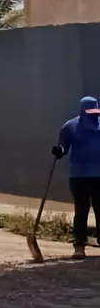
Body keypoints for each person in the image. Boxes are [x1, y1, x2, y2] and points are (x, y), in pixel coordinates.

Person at [53, 96, 100, 260]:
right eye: (90, 113)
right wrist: (59, 151)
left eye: (96, 113)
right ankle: (79, 246)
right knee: (82, 210)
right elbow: (64, 148)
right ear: (82, 111)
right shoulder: (70, 126)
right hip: (79, 176)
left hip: (99, 176)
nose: (94, 116)